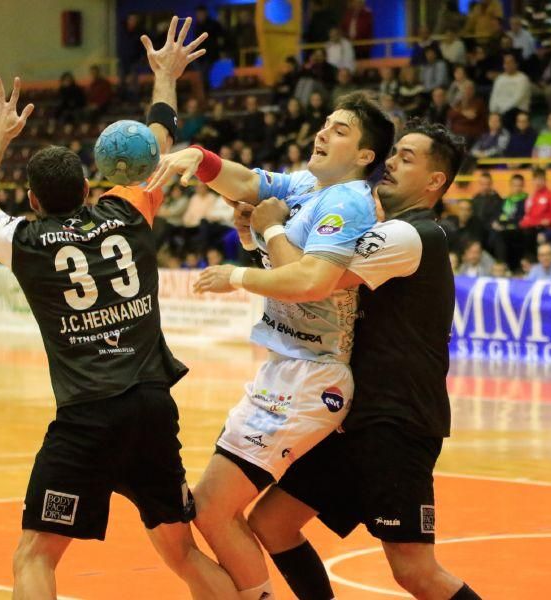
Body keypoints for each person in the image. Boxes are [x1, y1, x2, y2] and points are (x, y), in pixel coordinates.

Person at [0, 20, 240, 599]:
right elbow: (160, 142)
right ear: (88, 189)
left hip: (88, 417)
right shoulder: (130, 212)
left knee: (35, 556)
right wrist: (164, 75)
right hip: (151, 406)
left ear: (33, 202)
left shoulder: (24, 241)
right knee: (181, 552)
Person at [197, 120, 481, 600]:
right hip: (353, 413)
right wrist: (259, 235)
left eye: (407, 158)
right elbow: (302, 263)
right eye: (394, 154)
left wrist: (267, 233)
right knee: (273, 522)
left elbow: (311, 281)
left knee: (414, 570)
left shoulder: (412, 237)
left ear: (436, 181)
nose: (391, 162)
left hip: (397, 418)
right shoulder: (380, 224)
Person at [146, 92, 393, 599]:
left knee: (213, 508)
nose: (322, 132)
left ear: (366, 156)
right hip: (286, 368)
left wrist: (249, 256)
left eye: (340, 130)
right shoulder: (308, 184)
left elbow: (312, 281)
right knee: (225, 512)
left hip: (314, 374)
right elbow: (248, 183)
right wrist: (202, 159)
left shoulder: (347, 200)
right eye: (325, 122)